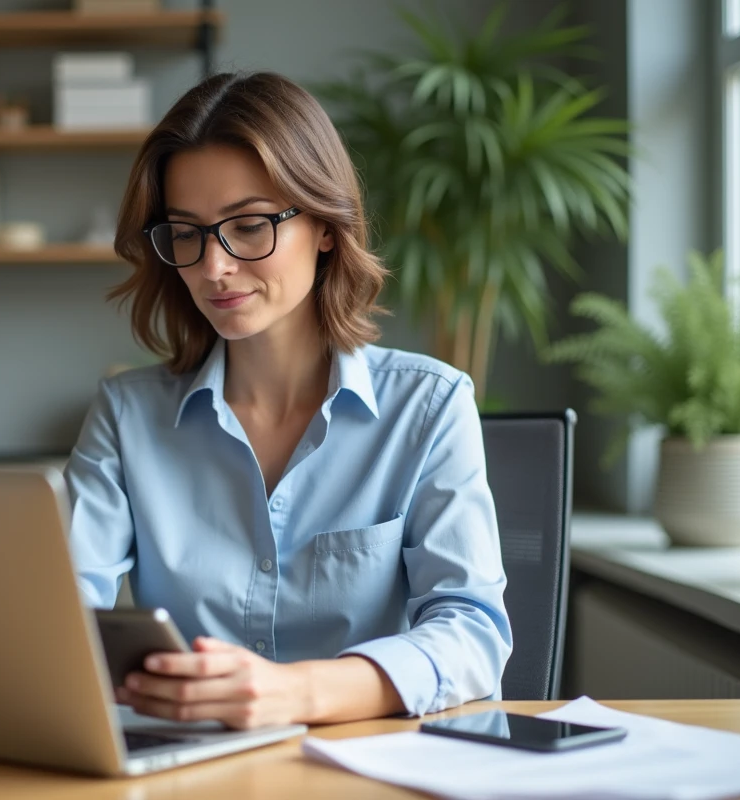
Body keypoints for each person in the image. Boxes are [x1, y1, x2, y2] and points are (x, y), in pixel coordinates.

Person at [63, 71, 512, 731]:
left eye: (248, 226)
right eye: (186, 233)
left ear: (326, 225)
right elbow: (62, 613)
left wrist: (297, 693)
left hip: (364, 763)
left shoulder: (430, 407)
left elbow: (473, 633)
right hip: (187, 764)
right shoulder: (127, 415)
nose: (213, 266)